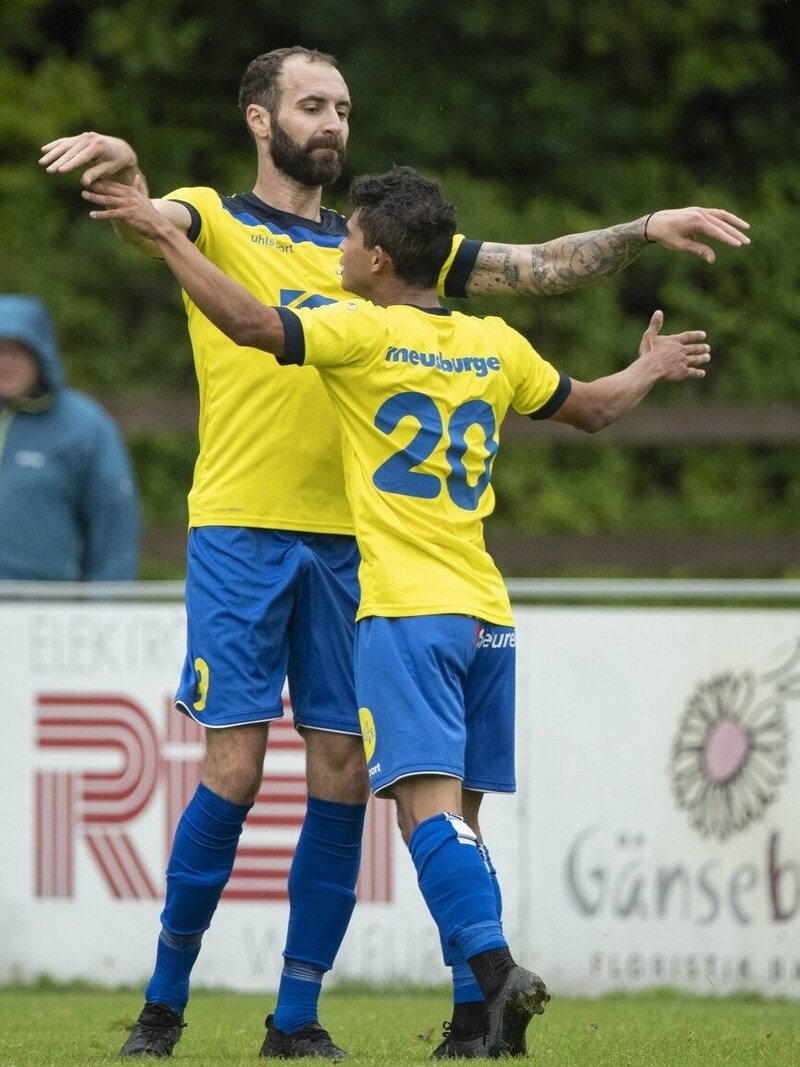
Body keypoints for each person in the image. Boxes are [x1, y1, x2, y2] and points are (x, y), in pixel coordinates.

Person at [39, 46, 748, 1059]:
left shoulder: (375, 246)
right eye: (310, 104)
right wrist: (133, 177)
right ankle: (162, 1005)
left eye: (341, 106)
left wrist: (641, 229)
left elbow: (534, 263)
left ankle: (295, 1018)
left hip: (356, 548)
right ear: (257, 117)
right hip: (241, 524)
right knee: (233, 771)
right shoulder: (214, 213)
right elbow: (163, 221)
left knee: (338, 773)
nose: (330, 121)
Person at [0, 294, 139, 582]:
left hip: (48, 613)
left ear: (41, 353)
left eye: (17, 350)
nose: (6, 362)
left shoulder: (84, 426)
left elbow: (114, 524)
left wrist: (108, 608)